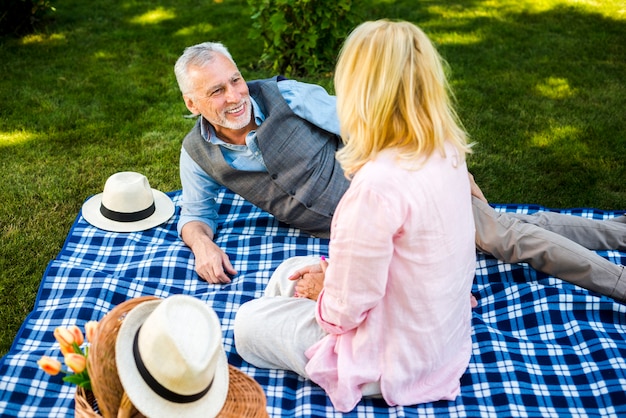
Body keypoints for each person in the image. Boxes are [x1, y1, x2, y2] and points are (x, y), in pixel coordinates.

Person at [173, 40, 626, 302]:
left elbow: (379, 129)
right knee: (513, 227)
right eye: (216, 91)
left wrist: (448, 171)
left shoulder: (287, 96)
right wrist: (202, 246)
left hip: (396, 193)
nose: (235, 95)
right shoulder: (197, 153)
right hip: (361, 233)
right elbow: (195, 214)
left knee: (500, 238)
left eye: (234, 79)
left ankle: (619, 283)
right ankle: (619, 232)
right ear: (192, 104)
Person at [234, 20, 477, 412]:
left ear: (361, 92)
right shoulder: (445, 148)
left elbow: (343, 313)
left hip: (394, 359)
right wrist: (329, 277)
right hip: (439, 330)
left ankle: (287, 332)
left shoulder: (375, 188)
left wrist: (326, 291)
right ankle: (288, 314)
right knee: (291, 272)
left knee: (246, 323)